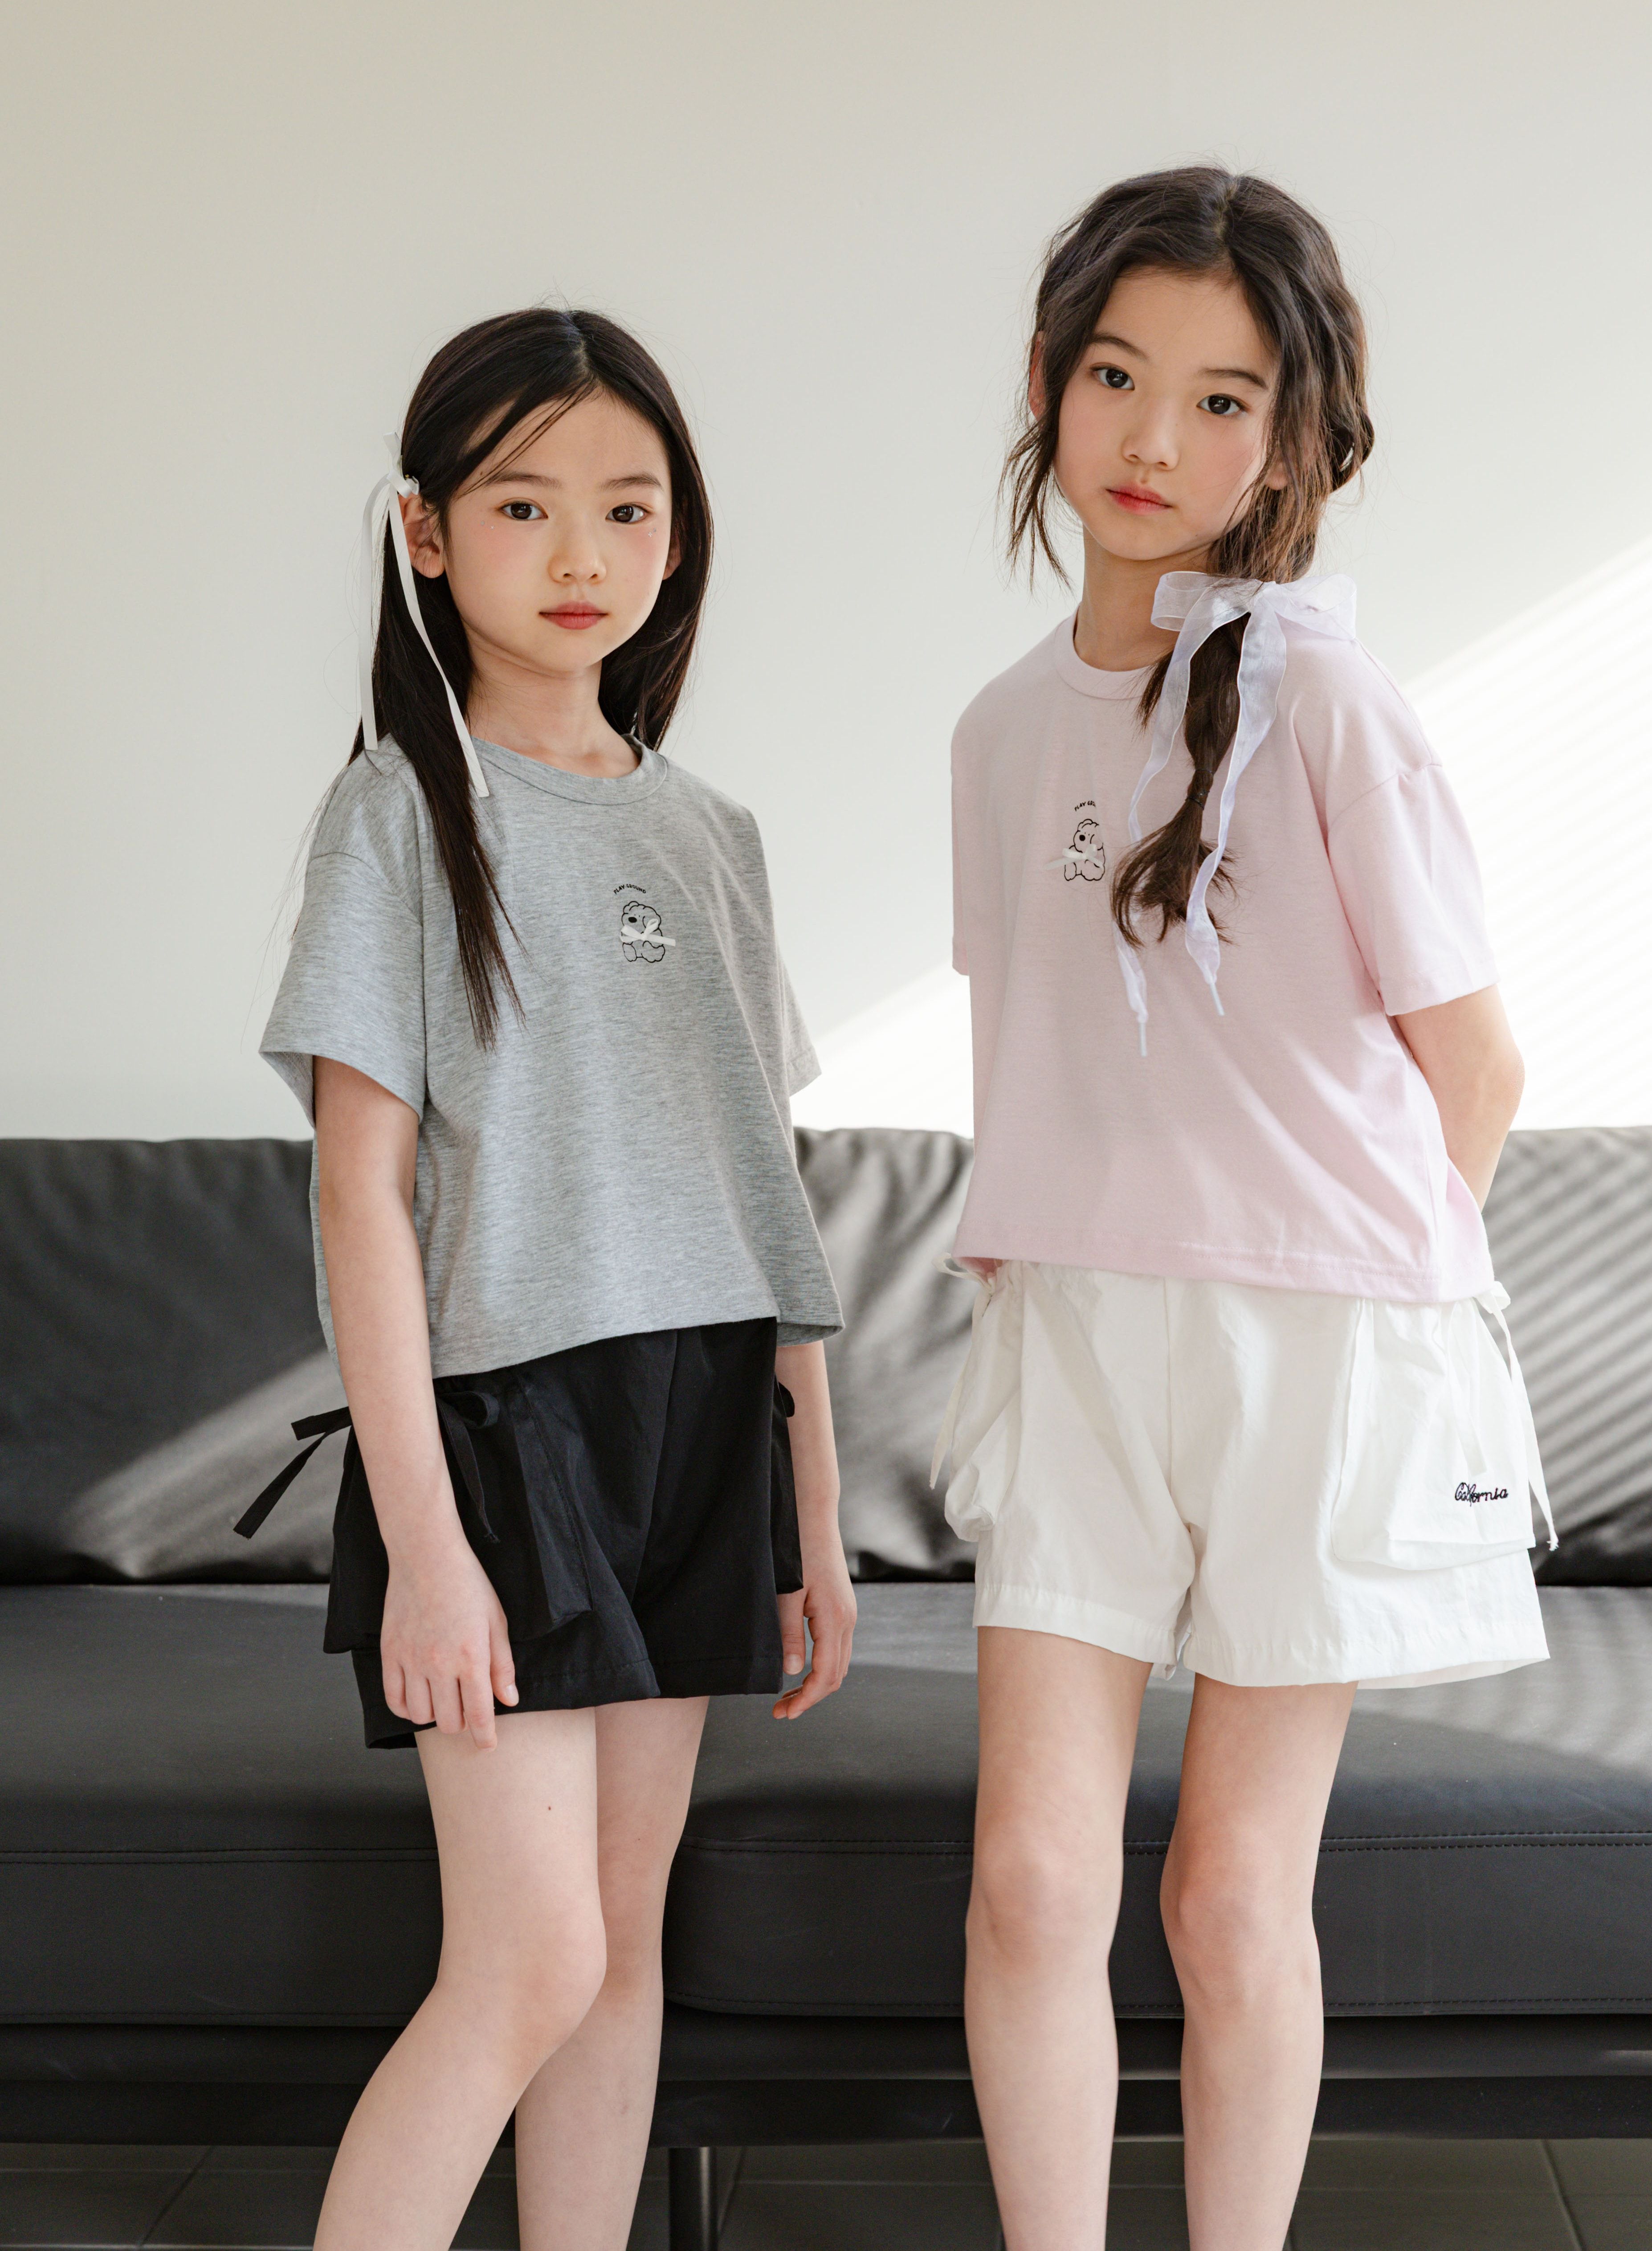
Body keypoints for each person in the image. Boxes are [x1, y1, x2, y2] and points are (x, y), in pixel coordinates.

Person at [937, 167, 1553, 2251]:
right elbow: (1022, 1053)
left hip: (1318, 1344)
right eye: (1115, 377)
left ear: (1289, 442)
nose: (1151, 439)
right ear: (1048, 379)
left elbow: (1474, 1063)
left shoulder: (1334, 705)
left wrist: (1361, 1314)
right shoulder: (998, 734)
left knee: (1223, 1889)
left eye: (1219, 401)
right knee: (1029, 1877)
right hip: (1074, 1331)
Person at [245, 306, 855, 2251]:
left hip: (702, 1417)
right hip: (509, 1433)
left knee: (616, 1952)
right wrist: (424, 1541)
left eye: (627, 507)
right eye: (522, 506)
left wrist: (812, 1512)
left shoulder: (711, 831)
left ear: (679, 536)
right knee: (525, 1959)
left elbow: (767, 1194)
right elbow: (359, 1199)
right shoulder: (397, 814)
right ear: (426, 534)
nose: (581, 552)